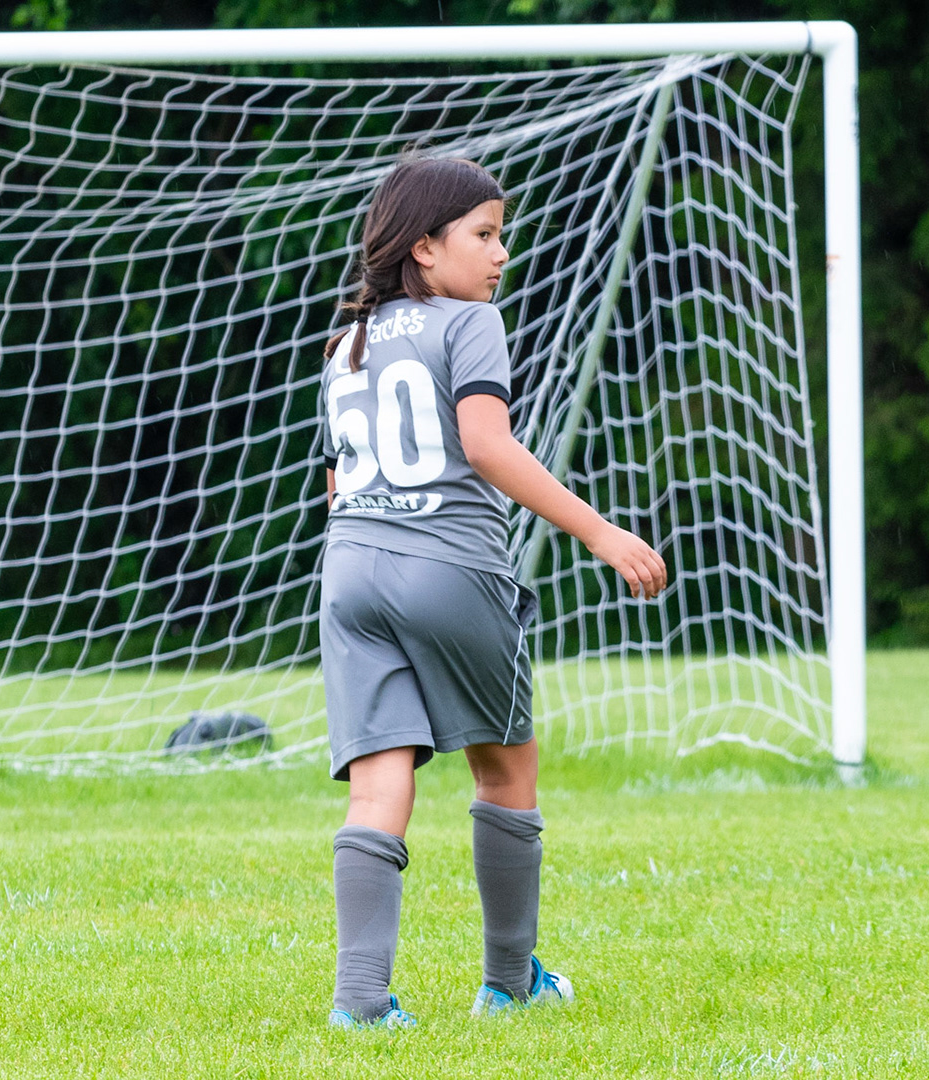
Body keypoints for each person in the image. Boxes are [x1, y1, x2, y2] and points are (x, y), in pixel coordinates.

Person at [314, 157, 668, 1028]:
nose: (501, 253)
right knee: (506, 768)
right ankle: (510, 986)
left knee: (377, 786)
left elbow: (338, 477)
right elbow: (486, 444)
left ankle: (361, 1004)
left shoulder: (348, 340)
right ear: (425, 247)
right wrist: (600, 531)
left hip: (349, 568)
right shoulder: (469, 320)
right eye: (484, 234)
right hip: (448, 566)